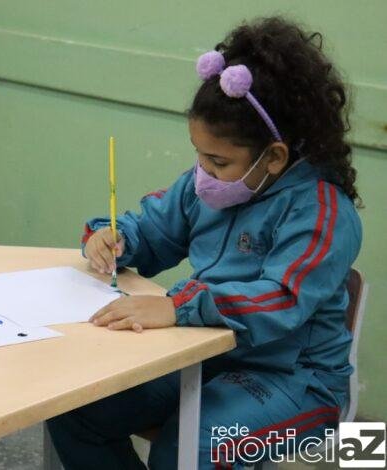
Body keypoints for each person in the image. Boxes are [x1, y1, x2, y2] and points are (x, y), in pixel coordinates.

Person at [46, 16, 363, 469]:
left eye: (217, 160)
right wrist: (114, 238)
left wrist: (179, 307)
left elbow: (281, 299)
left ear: (274, 157)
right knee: (76, 409)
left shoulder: (323, 212)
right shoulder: (209, 185)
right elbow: (153, 232)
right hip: (208, 352)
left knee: (190, 447)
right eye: (198, 154)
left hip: (299, 383)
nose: (203, 172)